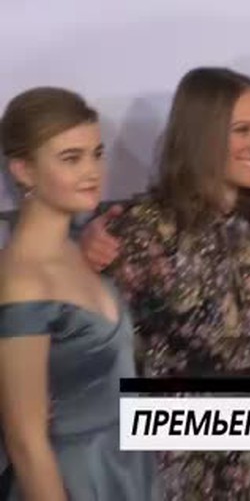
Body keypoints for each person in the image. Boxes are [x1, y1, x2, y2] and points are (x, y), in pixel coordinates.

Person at [95, 68, 250, 500]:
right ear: (202, 134)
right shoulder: (143, 231)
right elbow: (101, 340)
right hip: (182, 450)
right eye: (242, 130)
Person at [0, 87, 159, 500]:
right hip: (75, 480)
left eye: (97, 154)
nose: (92, 171)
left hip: (126, 467)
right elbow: (25, 439)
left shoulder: (79, 246)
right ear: (23, 170)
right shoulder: (22, 282)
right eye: (71, 158)